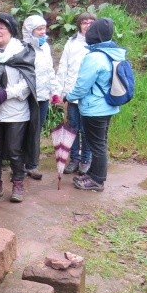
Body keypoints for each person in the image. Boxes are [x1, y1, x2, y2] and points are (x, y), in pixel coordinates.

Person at [0, 13, 38, 203]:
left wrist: (5, 93)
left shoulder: (23, 52)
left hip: (16, 113)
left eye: (2, 27)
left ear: (11, 31)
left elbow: (27, 83)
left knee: (14, 150)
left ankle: (18, 185)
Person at [65, 18, 125, 192]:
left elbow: (82, 86)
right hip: (107, 106)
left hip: (94, 108)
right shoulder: (113, 53)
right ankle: (93, 174)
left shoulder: (94, 57)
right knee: (100, 142)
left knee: (96, 145)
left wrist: (69, 96)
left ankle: (97, 180)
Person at [56, 12, 97, 174]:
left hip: (90, 95)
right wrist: (60, 91)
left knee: (87, 129)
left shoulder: (97, 43)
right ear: (79, 25)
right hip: (72, 94)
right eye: (84, 22)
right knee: (72, 128)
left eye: (91, 22)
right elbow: (63, 67)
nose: (88, 25)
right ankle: (74, 159)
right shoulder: (71, 43)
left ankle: (86, 159)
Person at [21, 14, 60, 180]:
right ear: (30, 30)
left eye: (44, 28)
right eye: (38, 29)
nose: (42, 32)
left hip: (43, 96)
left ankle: (32, 164)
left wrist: (55, 91)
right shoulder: (22, 48)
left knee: (36, 130)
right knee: (23, 130)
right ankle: (19, 165)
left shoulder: (45, 47)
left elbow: (50, 71)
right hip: (27, 96)